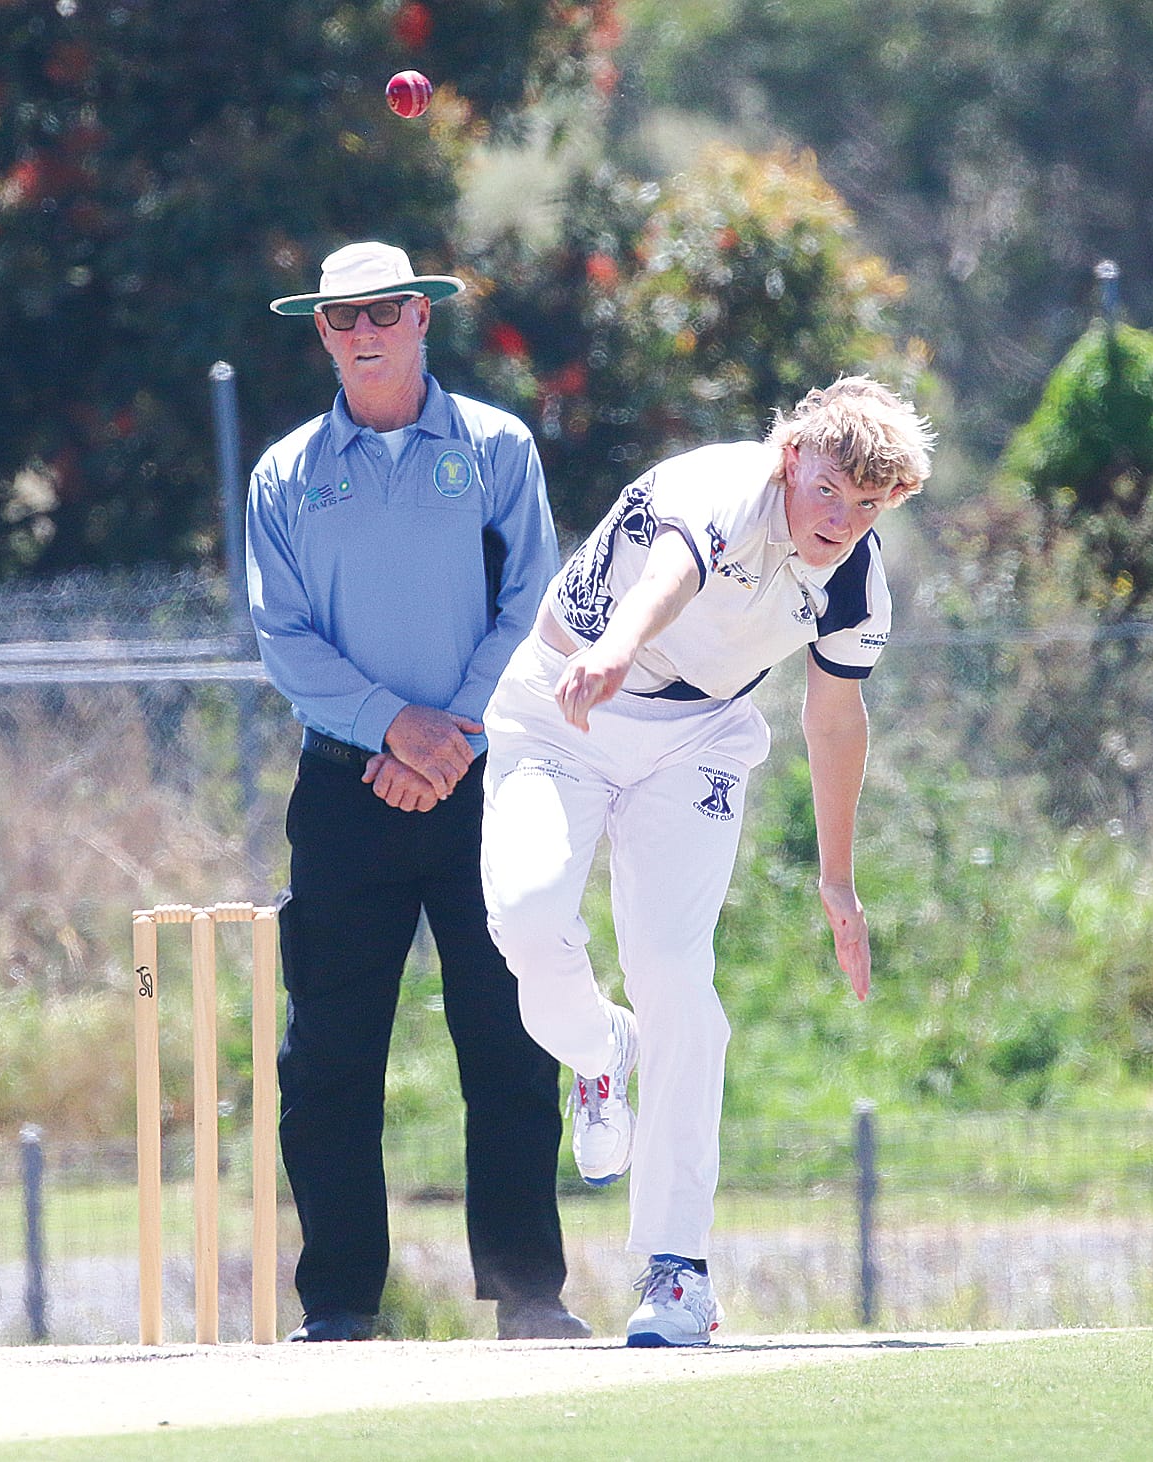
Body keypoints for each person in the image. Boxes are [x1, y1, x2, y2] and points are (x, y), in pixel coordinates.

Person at [480, 376, 935, 1345]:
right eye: (828, 490)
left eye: (867, 505)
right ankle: (603, 1056)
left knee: (674, 974)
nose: (841, 519)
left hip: (694, 742)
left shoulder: (853, 578)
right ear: (790, 458)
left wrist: (837, 878)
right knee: (522, 919)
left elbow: (833, 716)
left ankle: (674, 1270)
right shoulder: (721, 488)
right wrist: (611, 651)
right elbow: (671, 575)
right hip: (560, 704)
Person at [246, 241, 588, 1342]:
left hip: (487, 778)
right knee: (329, 1054)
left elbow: (534, 601)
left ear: (422, 318)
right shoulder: (285, 473)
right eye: (342, 318)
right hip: (347, 788)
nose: (365, 333)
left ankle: (528, 1292)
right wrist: (394, 729)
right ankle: (341, 1303)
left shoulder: (493, 447)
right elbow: (281, 637)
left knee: (506, 1034)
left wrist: (452, 737)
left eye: (384, 311)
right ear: (321, 333)